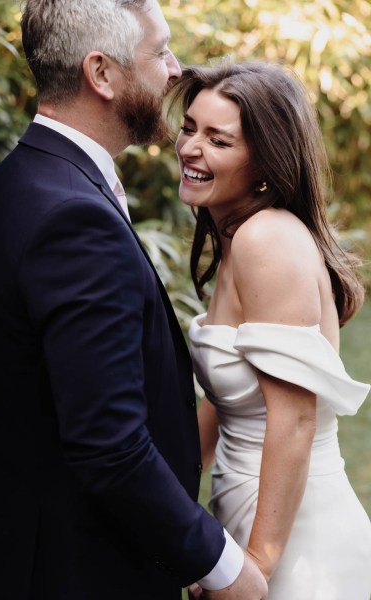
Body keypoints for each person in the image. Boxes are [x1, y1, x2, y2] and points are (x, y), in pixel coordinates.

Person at [0, 3, 270, 600]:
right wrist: (226, 569)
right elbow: (110, 447)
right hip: (81, 572)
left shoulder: (18, 181)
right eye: (159, 52)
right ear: (101, 74)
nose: (174, 69)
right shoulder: (72, 216)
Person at [169, 60, 371, 599]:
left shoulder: (266, 239)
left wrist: (257, 563)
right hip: (244, 512)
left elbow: (295, 417)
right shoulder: (237, 234)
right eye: (190, 128)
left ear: (263, 162)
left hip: (299, 541)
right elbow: (230, 394)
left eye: (218, 140)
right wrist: (171, 500)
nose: (190, 148)